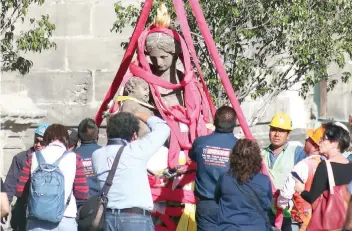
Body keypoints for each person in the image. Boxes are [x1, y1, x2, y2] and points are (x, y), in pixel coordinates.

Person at [92, 112, 170, 231]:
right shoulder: (136, 150)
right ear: (134, 135)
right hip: (135, 220)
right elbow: (163, 128)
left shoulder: (96, 155)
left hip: (107, 219)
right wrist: (139, 114)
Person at [16, 124, 88, 231]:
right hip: (65, 218)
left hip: (36, 219)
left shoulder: (33, 157)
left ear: (46, 138)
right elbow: (82, 193)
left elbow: (19, 191)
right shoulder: (74, 158)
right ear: (65, 139)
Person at [189, 105, 238, 231]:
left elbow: (193, 156)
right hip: (232, 205)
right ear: (234, 124)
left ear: (214, 121)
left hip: (207, 205)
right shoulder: (240, 146)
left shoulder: (200, 142)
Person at [295, 122, 352, 229]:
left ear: (334, 143)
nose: (319, 142)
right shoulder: (350, 165)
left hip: (330, 224)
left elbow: (312, 197)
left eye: (323, 139)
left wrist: (301, 190)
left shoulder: (325, 166)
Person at [261, 112, 307, 231]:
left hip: (288, 211)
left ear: (288, 134)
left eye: (281, 131)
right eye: (274, 130)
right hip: (264, 210)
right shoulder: (260, 153)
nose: (277, 134)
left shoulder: (297, 153)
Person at [215, 139, 272, 231]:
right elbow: (267, 205)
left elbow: (217, 198)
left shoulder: (225, 178)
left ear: (233, 157)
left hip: (229, 227)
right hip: (256, 227)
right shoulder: (264, 180)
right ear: (257, 158)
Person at [3, 123, 50, 231]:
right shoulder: (21, 158)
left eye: (42, 142)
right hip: (23, 210)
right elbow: (10, 185)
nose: (38, 144)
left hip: (47, 211)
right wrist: (4, 208)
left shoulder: (55, 159)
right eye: (36, 141)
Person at [277, 126, 324, 231]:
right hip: (321, 217)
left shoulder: (302, 165)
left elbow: (286, 192)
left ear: (316, 146)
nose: (306, 140)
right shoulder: (326, 164)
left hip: (301, 217)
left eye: (309, 139)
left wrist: (281, 205)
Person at [75, 118, 101, 199]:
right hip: (99, 202)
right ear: (97, 136)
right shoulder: (104, 153)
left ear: (78, 137)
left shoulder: (72, 155)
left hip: (78, 201)